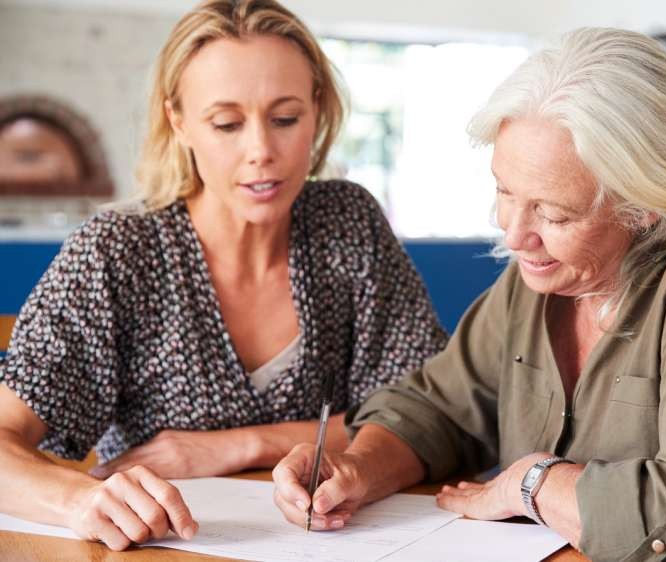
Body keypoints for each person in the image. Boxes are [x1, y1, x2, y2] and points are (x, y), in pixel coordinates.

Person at [273, 28, 666, 561]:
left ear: (646, 205)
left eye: (554, 214)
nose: (513, 234)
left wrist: (534, 482)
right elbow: (438, 408)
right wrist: (357, 466)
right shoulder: (541, 278)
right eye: (505, 191)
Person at [0, 0, 445, 551]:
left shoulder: (348, 223)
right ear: (178, 121)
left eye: (285, 118)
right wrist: (78, 500)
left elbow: (433, 415)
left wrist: (238, 445)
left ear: (318, 107)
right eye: (227, 123)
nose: (261, 151)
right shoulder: (116, 252)